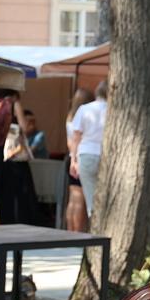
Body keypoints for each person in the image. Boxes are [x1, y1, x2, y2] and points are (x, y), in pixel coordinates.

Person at [0, 89, 36, 224]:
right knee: (20, 193)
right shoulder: (14, 104)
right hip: (14, 153)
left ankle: (4, 220)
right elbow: (24, 128)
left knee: (3, 193)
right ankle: (21, 222)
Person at [68, 80, 108, 218]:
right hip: (107, 156)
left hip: (87, 154)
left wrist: (73, 160)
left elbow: (76, 136)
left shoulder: (84, 109)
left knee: (91, 200)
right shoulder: (114, 111)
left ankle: (96, 230)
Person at [63, 88, 91, 232]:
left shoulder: (70, 117)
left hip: (70, 158)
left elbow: (69, 142)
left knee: (73, 199)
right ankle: (78, 232)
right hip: (80, 158)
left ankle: (70, 230)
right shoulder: (85, 117)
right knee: (80, 199)